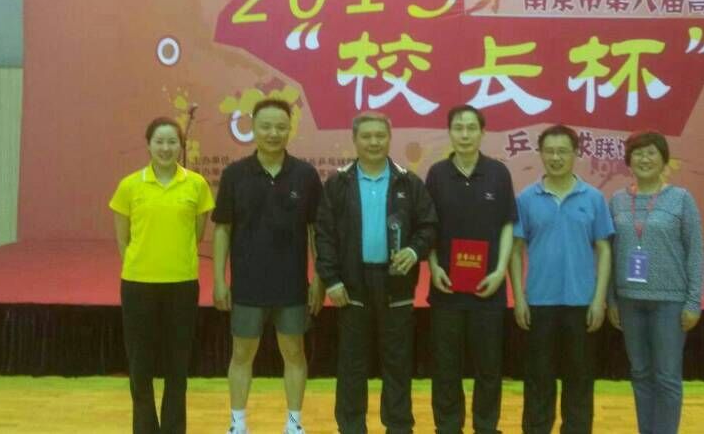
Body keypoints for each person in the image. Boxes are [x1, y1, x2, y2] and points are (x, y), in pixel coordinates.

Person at [314, 111, 437, 434]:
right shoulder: (338, 183)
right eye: (366, 136)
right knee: (351, 366)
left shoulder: (408, 182)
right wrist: (331, 280)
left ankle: (399, 427)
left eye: (380, 136)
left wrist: (414, 251)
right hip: (351, 285)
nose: (373, 142)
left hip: (396, 285)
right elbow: (324, 235)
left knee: (398, 364)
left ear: (389, 138)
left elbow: (428, 226)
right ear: (354, 140)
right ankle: (351, 427)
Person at [211, 98, 324, 434]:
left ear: (290, 129)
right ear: (253, 128)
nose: (273, 133)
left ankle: (294, 423)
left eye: (280, 127)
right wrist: (219, 280)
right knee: (242, 354)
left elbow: (316, 231)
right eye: (266, 126)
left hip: (292, 285)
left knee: (294, 353)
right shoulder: (234, 174)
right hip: (247, 284)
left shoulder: (305, 175)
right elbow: (222, 229)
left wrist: (319, 278)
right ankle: (238, 424)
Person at [109, 117, 215, 434]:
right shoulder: (130, 186)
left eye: (172, 142)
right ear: (148, 145)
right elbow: (123, 239)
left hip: (182, 284)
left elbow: (197, 234)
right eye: (159, 141)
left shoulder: (196, 185)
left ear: (181, 146)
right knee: (140, 366)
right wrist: (141, 264)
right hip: (138, 285)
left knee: (177, 367)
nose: (166, 148)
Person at [509, 124, 613, 434]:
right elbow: (516, 250)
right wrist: (519, 298)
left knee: (579, 380)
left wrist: (599, 299)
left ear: (575, 153)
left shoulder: (593, 198)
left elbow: (604, 250)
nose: (556, 158)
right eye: (550, 151)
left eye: (563, 151)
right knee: (538, 380)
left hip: (582, 304)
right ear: (540, 154)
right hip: (539, 303)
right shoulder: (527, 198)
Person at [425, 105, 516, 434]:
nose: (465, 134)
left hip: (488, 288)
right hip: (446, 288)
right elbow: (427, 226)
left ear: (482, 132)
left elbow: (507, 225)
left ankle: (486, 426)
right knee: (446, 367)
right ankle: (447, 427)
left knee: (488, 367)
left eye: (471, 128)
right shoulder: (437, 174)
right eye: (458, 128)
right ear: (450, 133)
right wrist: (434, 266)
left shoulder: (498, 173)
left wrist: (500, 271)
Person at [607, 130, 704, 434]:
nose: (644, 159)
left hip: (670, 302)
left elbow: (695, 252)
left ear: (664, 160)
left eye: (651, 153)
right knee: (640, 374)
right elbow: (610, 253)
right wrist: (611, 299)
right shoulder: (617, 201)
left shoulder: (681, 199)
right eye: (638, 153)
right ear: (629, 160)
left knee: (667, 378)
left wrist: (693, 301)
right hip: (629, 300)